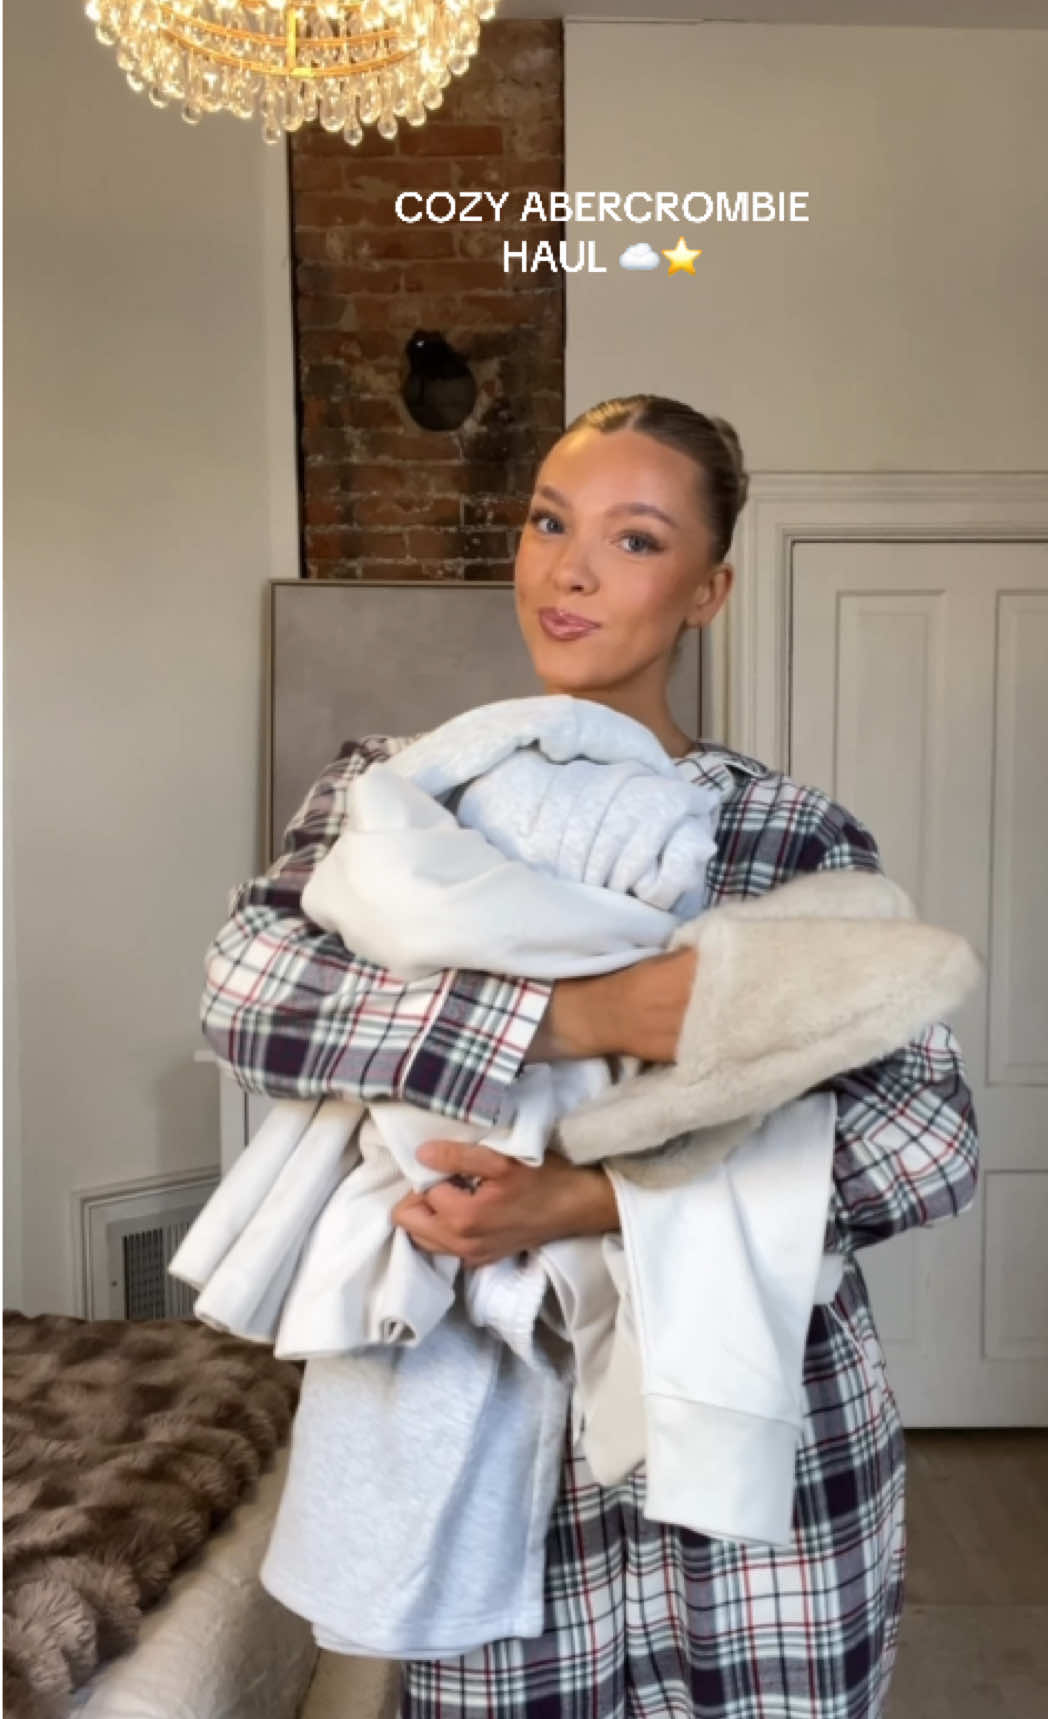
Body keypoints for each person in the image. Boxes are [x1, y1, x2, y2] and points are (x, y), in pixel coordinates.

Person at [201, 393, 979, 1719]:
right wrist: (590, 1017)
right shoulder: (393, 796)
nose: (568, 569)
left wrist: (587, 1199)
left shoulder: (784, 835)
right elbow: (252, 993)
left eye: (634, 539)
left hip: (756, 1431)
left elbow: (927, 1139)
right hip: (482, 1433)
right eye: (550, 523)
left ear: (707, 591)